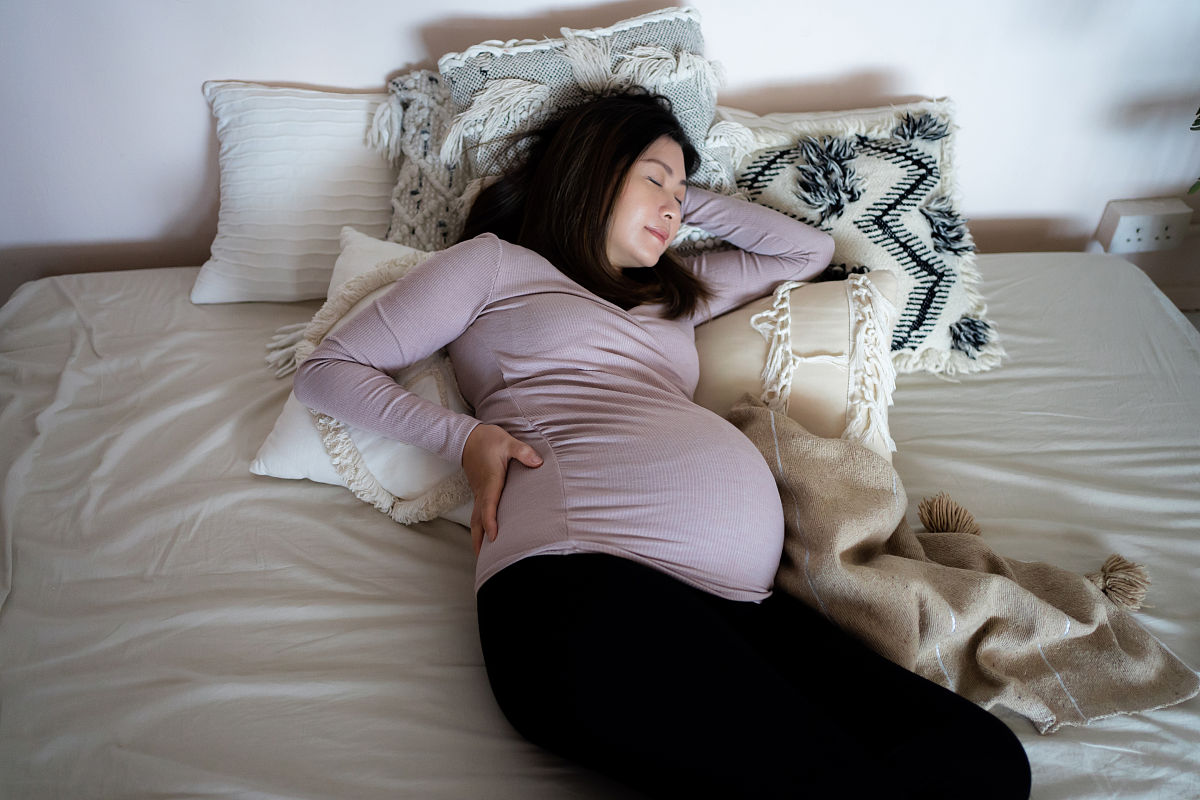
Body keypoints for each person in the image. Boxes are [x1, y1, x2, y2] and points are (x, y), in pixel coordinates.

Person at [294, 91, 1031, 799]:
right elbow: (328, 370)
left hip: (740, 606)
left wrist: (674, 197)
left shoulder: (674, 294)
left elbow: (803, 252)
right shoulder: (495, 265)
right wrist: (466, 437)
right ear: (587, 175)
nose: (674, 203)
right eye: (653, 178)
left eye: (682, 189)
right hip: (583, 584)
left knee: (983, 762)